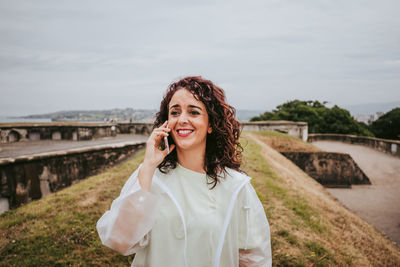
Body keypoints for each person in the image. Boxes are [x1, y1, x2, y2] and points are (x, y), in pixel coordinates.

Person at [97, 76, 272, 267]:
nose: (182, 120)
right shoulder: (149, 176)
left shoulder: (236, 186)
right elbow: (119, 240)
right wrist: (147, 167)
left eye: (193, 112)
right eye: (175, 112)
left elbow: (254, 258)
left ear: (212, 124)